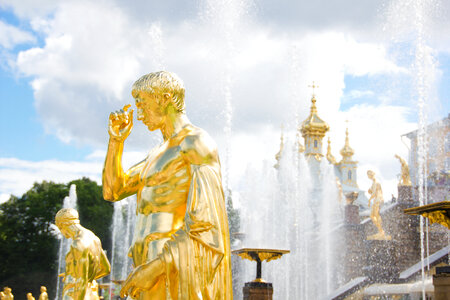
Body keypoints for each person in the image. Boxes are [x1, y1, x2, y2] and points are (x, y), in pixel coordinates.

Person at [103, 71, 232, 299]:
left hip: (171, 266)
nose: (139, 115)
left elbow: (207, 224)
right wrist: (116, 141)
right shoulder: (157, 153)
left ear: (164, 98)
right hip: (147, 265)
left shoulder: (195, 142)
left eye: (143, 104)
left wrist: (156, 267)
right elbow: (113, 190)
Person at [55, 208, 111, 300]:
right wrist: (76, 273)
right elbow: (106, 269)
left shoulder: (77, 244)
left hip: (74, 294)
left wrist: (77, 281)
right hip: (91, 294)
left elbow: (81, 280)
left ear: (62, 225)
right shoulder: (94, 238)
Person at [367, 170, 390, 240]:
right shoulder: (373, 183)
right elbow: (372, 192)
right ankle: (380, 230)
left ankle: (381, 231)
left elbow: (374, 194)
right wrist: (369, 191)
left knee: (376, 215)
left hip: (377, 201)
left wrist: (369, 200)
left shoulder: (376, 183)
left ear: (371, 175)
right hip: (375, 201)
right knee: (372, 215)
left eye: (369, 175)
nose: (368, 177)